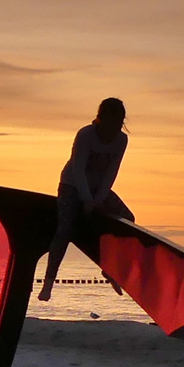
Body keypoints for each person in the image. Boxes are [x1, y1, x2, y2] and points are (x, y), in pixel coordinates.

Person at [38, 98, 135, 302]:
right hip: (72, 185)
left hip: (99, 189)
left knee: (128, 219)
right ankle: (48, 282)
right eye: (111, 123)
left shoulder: (121, 140)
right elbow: (78, 169)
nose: (114, 129)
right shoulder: (85, 135)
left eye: (118, 124)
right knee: (65, 229)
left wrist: (99, 198)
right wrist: (86, 199)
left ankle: (111, 270)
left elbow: (112, 171)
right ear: (100, 119)